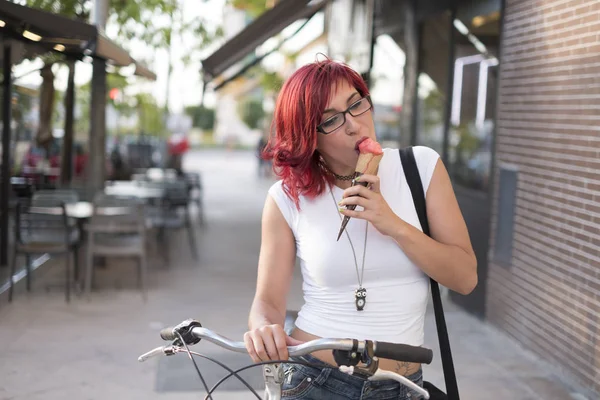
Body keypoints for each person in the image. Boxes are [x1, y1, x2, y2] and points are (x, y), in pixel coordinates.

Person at [245, 58, 477, 399]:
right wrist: (263, 329)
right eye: (331, 120)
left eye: (356, 103)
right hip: (315, 381)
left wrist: (393, 225)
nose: (355, 124)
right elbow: (267, 302)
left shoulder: (421, 168)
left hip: (403, 385)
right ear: (308, 136)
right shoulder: (286, 198)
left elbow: (465, 278)